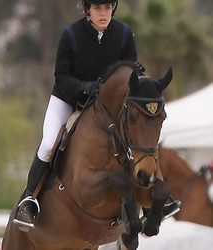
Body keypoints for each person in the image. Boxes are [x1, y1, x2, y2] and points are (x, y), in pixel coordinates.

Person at [13, 0, 180, 231]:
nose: (103, 13)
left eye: (107, 8)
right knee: (49, 143)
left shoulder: (123, 34)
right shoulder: (71, 35)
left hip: (106, 105)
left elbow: (130, 72)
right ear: (87, 10)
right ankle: (29, 199)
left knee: (136, 137)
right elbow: (61, 77)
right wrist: (86, 87)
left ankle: (151, 202)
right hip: (69, 99)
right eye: (98, 8)